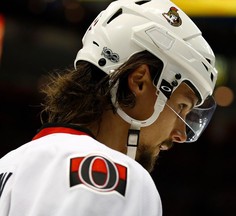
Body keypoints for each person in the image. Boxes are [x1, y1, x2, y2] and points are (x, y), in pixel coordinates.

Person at [0, 0, 218, 215]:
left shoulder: (9, 164)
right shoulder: (113, 175)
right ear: (139, 82)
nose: (180, 134)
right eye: (181, 107)